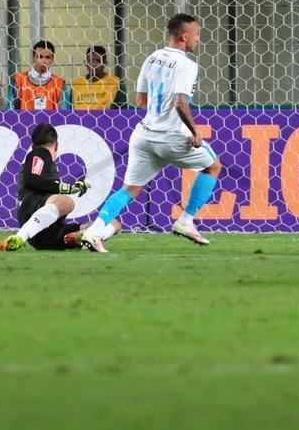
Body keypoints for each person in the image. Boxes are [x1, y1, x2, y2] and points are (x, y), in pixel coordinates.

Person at [79, 14, 221, 252]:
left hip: (144, 135)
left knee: (129, 189)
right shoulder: (187, 64)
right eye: (197, 34)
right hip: (171, 137)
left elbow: (141, 99)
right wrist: (194, 131)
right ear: (184, 36)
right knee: (213, 166)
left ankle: (93, 232)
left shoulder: (152, 58)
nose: (198, 38)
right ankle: (185, 220)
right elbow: (180, 102)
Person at [0, 122, 119, 251]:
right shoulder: (39, 153)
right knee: (67, 202)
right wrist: (69, 188)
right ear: (56, 145)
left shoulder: (44, 161)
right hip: (31, 211)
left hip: (51, 233)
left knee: (113, 223)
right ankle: (20, 237)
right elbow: (34, 179)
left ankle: (92, 237)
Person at [9, 40, 71, 110]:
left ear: (52, 59)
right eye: (40, 57)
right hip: (25, 120)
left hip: (51, 120)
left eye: (47, 57)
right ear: (33, 58)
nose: (43, 60)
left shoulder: (59, 83)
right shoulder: (19, 80)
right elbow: (10, 112)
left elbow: (65, 113)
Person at [72, 45, 125, 110]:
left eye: (98, 60)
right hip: (79, 119)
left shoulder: (115, 82)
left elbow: (122, 109)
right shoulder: (76, 84)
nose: (93, 64)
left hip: (105, 119)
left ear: (105, 63)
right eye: (90, 60)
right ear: (85, 63)